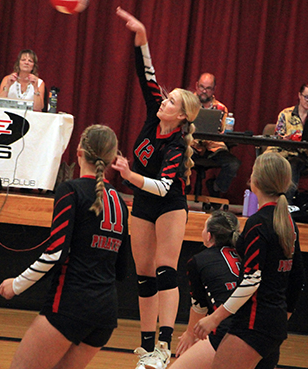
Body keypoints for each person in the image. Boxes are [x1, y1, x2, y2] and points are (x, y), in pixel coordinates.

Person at [113, 7, 201, 369]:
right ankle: (147, 347)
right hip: (143, 204)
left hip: (169, 204)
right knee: (144, 275)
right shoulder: (154, 114)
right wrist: (142, 36)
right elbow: (145, 73)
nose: (164, 101)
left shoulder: (177, 144)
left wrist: (129, 175)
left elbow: (165, 187)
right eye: (166, 99)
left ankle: (164, 346)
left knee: (166, 270)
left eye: (172, 102)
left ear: (181, 116)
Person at [0, 124, 129, 369]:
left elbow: (54, 253)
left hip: (70, 306)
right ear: (113, 158)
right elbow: (122, 270)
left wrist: (16, 285)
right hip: (105, 314)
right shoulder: (120, 202)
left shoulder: (71, 190)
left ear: (78, 150)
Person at [192, 152, 304, 369]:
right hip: (274, 323)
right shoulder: (288, 223)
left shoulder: (258, 223)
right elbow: (298, 279)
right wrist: (281, 317)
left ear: (257, 181)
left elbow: (251, 281)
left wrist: (214, 318)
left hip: (255, 323)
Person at [170, 210, 241, 369]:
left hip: (229, 331)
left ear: (209, 236)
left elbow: (199, 305)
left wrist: (190, 334)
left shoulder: (199, 261)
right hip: (258, 328)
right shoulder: (245, 255)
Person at [192, 73, 241, 200]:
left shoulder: (221, 108)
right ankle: (181, 190)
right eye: (201, 87)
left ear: (214, 90)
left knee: (233, 164)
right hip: (192, 145)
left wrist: (221, 133)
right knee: (178, 154)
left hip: (213, 147)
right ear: (196, 86)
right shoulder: (187, 103)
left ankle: (215, 187)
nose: (204, 91)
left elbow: (225, 131)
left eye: (208, 88)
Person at [266, 83, 308, 204]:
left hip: (304, 155)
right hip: (284, 151)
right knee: (268, 160)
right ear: (299, 96)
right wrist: (285, 139)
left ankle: (286, 203)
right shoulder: (286, 114)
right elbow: (278, 135)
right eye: (306, 97)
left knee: (294, 164)